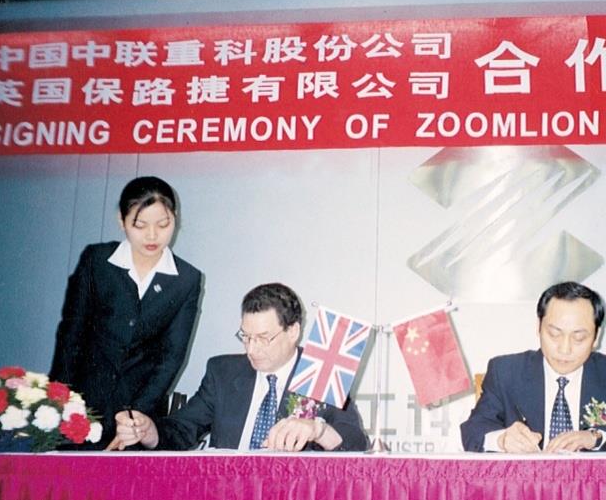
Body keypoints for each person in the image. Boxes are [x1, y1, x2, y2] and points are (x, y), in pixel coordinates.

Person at [109, 282, 369, 452]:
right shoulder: (222, 372)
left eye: (264, 338)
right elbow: (181, 429)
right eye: (246, 336)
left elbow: (356, 443)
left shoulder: (320, 370)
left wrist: (318, 429)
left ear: (293, 331)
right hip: (228, 498)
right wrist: (150, 432)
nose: (251, 349)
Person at [50, 176, 202, 445]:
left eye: (163, 224)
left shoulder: (186, 280)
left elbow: (171, 357)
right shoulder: (97, 261)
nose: (152, 236)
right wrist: (59, 402)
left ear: (175, 218)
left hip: (139, 416)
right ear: (121, 221)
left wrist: (135, 415)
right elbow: (71, 335)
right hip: (80, 408)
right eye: (140, 225)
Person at [460, 282, 606, 453]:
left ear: (596, 337)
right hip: (525, 486)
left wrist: (595, 437)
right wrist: (502, 439)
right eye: (554, 334)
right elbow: (473, 430)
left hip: (592, 488)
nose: (564, 349)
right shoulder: (505, 372)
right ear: (538, 327)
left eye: (579, 337)